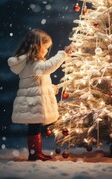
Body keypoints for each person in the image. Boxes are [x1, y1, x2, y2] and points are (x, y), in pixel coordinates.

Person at [7, 28, 73, 161]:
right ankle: (34, 154)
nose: (47, 51)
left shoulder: (30, 63)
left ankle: (35, 152)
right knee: (34, 128)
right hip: (32, 102)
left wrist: (49, 88)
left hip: (32, 100)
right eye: (46, 47)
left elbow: (38, 80)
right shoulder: (34, 63)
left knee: (34, 128)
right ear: (37, 46)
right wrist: (63, 54)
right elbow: (47, 67)